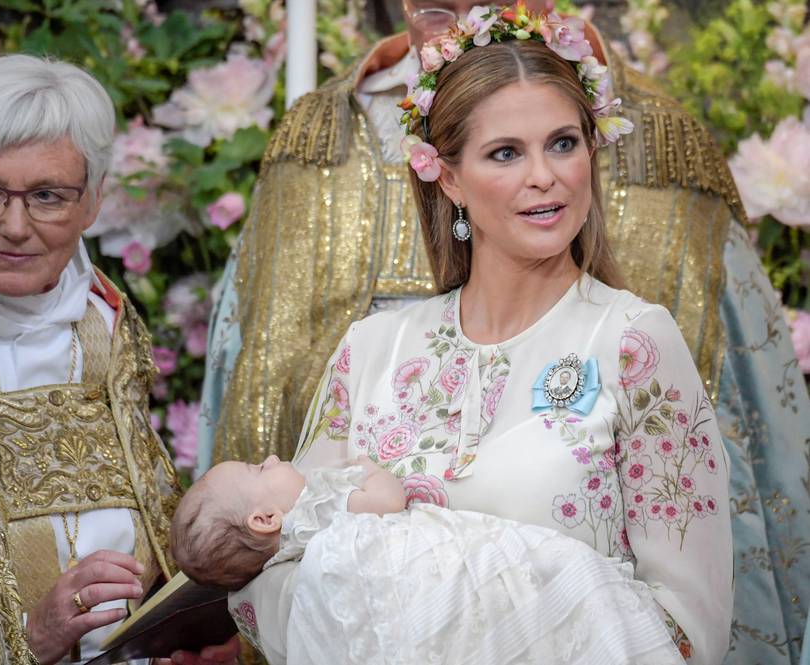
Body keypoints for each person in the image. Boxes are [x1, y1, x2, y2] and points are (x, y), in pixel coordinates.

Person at [198, 2, 810, 663]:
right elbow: (273, 576)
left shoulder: (635, 344)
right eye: (506, 153)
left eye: (564, 143)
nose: (544, 176)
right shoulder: (373, 351)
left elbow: (691, 628)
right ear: (449, 176)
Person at [0, 54, 237, 664]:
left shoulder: (106, 319)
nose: (15, 226)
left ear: (92, 202)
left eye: (47, 196)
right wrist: (27, 638)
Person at [173, 455, 684, 665]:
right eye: (256, 467)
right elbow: (390, 502)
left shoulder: (292, 563)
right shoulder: (321, 519)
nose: (270, 459)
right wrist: (371, 471)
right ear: (265, 519)